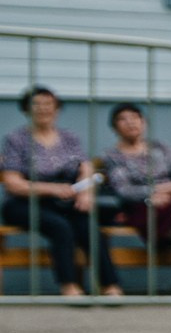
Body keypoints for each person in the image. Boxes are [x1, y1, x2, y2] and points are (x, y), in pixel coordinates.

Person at [2, 86, 119, 297]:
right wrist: (52, 189)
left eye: (49, 104)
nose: (43, 109)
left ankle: (109, 285)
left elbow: (86, 167)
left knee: (89, 227)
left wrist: (86, 193)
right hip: (25, 202)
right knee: (60, 227)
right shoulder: (16, 139)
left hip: (66, 200)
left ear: (57, 109)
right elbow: (13, 183)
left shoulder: (69, 138)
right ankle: (69, 285)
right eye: (36, 104)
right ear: (26, 109)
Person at [99, 103, 171, 297]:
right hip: (144, 206)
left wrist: (170, 190)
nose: (131, 123)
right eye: (123, 119)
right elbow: (124, 190)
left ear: (144, 122)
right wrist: (154, 192)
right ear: (115, 127)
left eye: (135, 118)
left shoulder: (160, 147)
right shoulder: (113, 156)